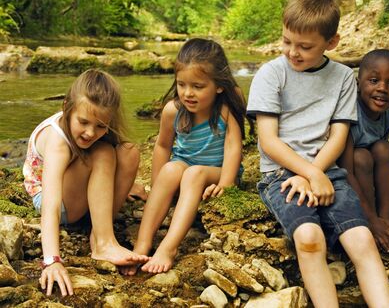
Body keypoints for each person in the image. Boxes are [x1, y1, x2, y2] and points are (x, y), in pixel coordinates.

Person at [246, 0, 389, 308]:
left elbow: (338, 136)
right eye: (287, 41)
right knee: (310, 239)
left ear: (332, 42)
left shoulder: (342, 77)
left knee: (362, 240)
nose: (292, 52)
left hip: (329, 171)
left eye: (305, 47)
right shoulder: (271, 74)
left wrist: (318, 173)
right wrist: (310, 173)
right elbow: (269, 141)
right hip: (281, 173)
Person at [120, 38, 247, 276]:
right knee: (171, 170)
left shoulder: (228, 104)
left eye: (198, 86)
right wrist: (158, 188)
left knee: (194, 172)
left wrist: (227, 183)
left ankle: (168, 247)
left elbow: (232, 145)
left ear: (219, 85)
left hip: (217, 173)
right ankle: (142, 244)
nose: (188, 93)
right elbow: (162, 146)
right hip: (183, 173)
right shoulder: (173, 111)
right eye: (181, 85)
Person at [23, 69, 148, 296]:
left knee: (129, 151)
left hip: (72, 192)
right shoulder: (57, 144)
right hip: (54, 201)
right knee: (102, 152)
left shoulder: (88, 127)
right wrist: (52, 260)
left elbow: (118, 154)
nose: (90, 132)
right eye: (83, 122)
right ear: (67, 108)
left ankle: (99, 232)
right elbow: (50, 206)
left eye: (101, 126)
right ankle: (103, 243)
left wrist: (128, 185)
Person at [338, 49, 389, 254]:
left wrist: (383, 215)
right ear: (358, 82)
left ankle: (386, 216)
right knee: (361, 157)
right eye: (373, 80)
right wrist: (369, 217)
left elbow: (381, 159)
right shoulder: (349, 113)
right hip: (340, 168)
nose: (382, 89)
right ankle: (371, 219)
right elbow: (346, 170)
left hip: (364, 166)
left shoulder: (387, 115)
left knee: (385, 149)